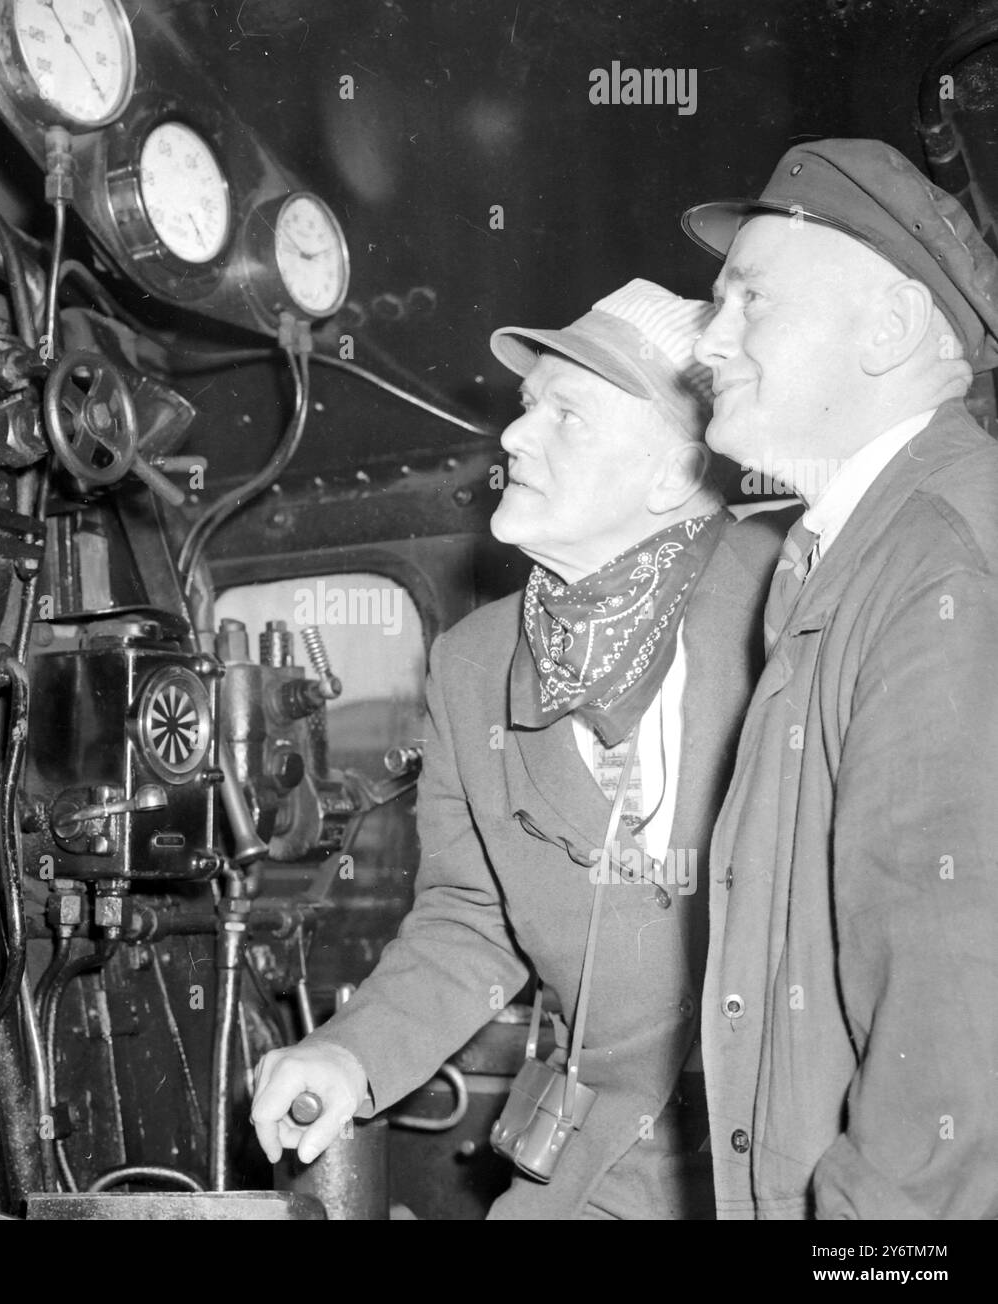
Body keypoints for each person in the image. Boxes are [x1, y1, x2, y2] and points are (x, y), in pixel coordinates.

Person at [250, 278, 788, 1219]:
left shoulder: (795, 602)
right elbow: (472, 916)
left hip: (795, 1162)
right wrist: (351, 1051)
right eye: (527, 405)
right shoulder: (472, 665)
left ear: (675, 473)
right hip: (602, 1169)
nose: (513, 436)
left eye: (567, 416)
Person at [683, 137, 998, 1219]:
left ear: (891, 326)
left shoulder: (941, 559)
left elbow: (957, 1039)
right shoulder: (860, 545)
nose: (705, 344)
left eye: (747, 300)